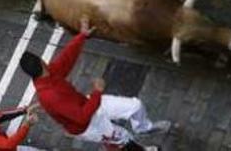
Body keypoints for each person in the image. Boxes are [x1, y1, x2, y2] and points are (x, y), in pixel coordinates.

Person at [18, 17, 169, 151]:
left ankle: (143, 129)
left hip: (89, 105)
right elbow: (81, 117)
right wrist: (97, 91)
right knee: (123, 138)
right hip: (88, 126)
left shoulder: (47, 75)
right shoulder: (50, 95)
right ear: (41, 61)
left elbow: (65, 60)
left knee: (135, 106)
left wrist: (82, 36)